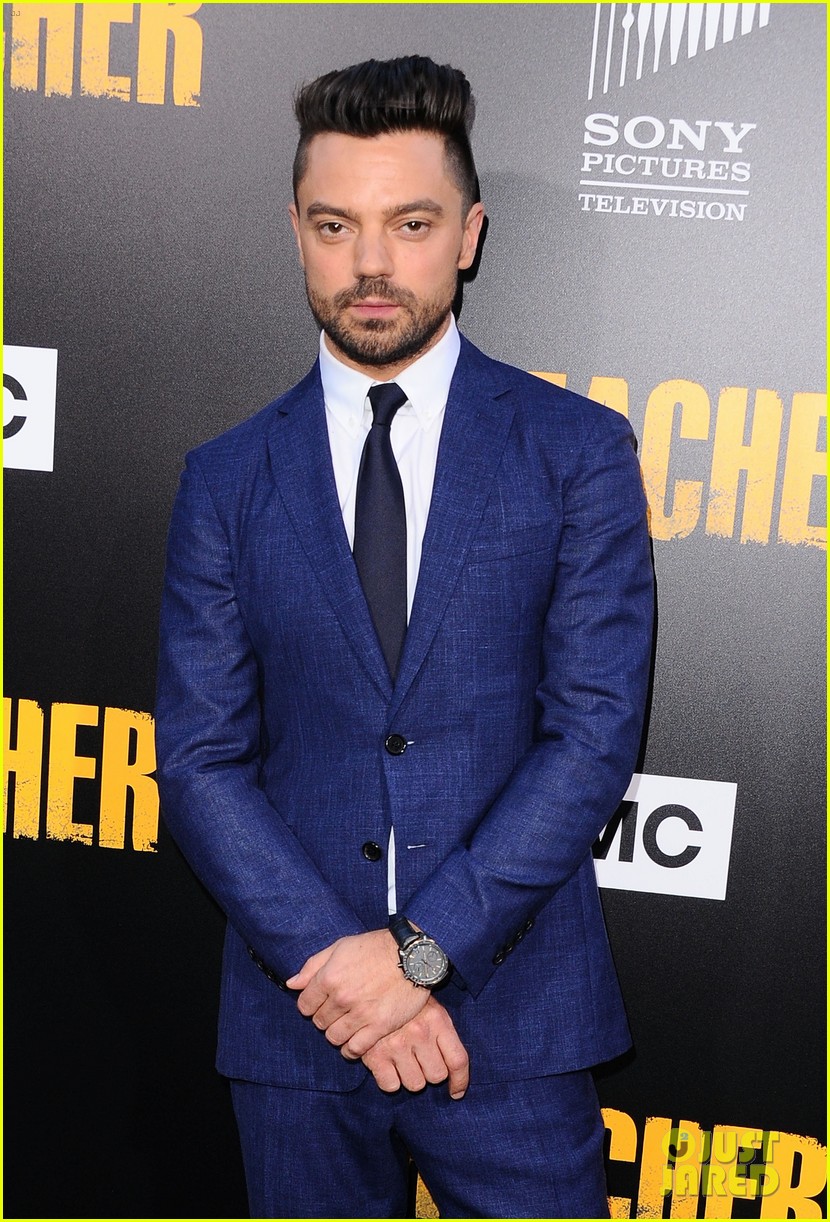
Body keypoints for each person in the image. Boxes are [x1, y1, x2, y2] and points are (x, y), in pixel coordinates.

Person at [156, 55, 654, 1220]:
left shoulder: (574, 451)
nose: (370, 263)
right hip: (300, 1022)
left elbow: (591, 736)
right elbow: (200, 759)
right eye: (336, 225)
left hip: (514, 1019)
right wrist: (341, 974)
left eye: (410, 223)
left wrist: (416, 957)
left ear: (467, 235)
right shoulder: (225, 479)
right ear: (296, 232)